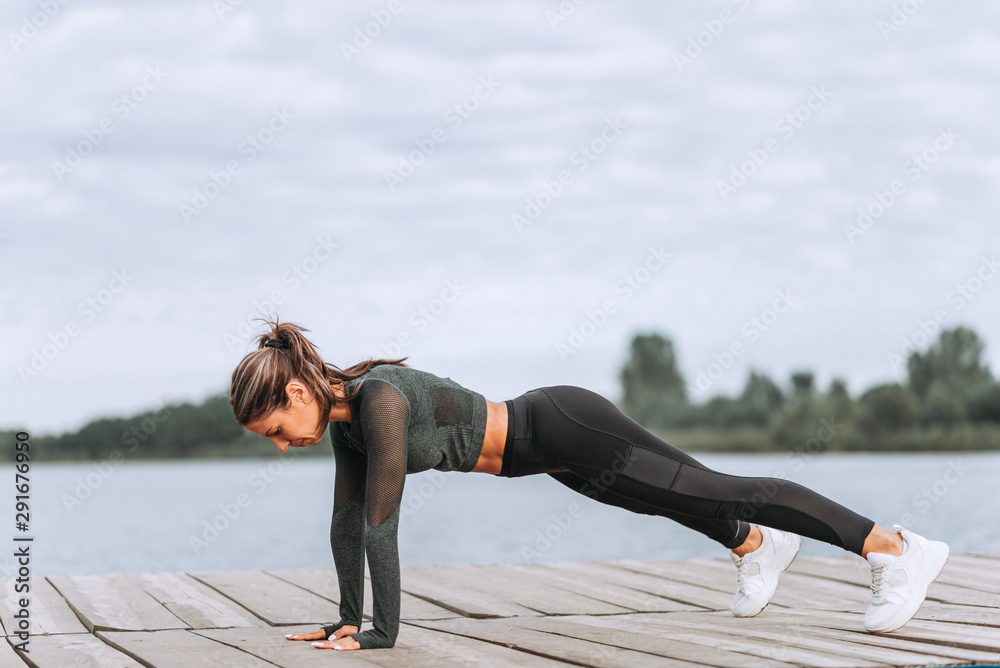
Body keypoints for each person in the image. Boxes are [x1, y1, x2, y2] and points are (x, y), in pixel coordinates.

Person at [228, 319, 950, 652]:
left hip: (565, 426)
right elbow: (346, 520)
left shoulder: (378, 400)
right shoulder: (349, 422)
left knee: (717, 485)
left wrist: (383, 634)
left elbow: (382, 524)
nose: (284, 446)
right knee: (664, 495)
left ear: (297, 391)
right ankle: (756, 547)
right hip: (547, 453)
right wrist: (348, 617)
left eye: (275, 430)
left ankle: (892, 547)